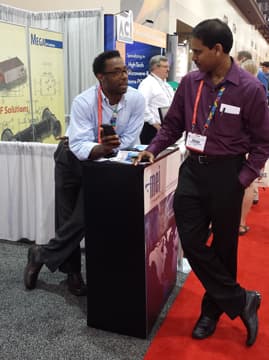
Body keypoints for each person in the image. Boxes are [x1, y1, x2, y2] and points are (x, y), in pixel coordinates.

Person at [134, 19, 269, 346]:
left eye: (197, 51)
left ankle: (211, 311)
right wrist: (152, 149)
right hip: (193, 171)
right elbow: (173, 125)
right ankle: (240, 300)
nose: (192, 57)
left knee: (224, 248)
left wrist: (243, 178)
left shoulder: (250, 89)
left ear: (218, 50)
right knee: (191, 240)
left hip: (227, 174)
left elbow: (263, 142)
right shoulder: (191, 83)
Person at [24, 50, 145, 296]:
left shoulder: (135, 99)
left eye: (125, 71)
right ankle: (73, 273)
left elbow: (131, 137)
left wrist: (110, 151)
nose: (124, 76)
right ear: (101, 77)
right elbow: (78, 144)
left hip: (104, 161)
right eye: (117, 72)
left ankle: (41, 253)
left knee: (83, 218)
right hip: (71, 159)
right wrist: (101, 148)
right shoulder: (84, 101)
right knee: (67, 217)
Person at [239, 59, 259, 235]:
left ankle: (240, 222)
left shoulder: (249, 88)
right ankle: (241, 223)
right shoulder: (258, 87)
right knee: (249, 184)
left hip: (244, 143)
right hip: (247, 143)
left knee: (247, 184)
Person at [138, 55, 174, 144]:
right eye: (165, 67)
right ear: (155, 68)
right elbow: (142, 105)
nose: (168, 69)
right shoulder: (147, 84)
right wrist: (154, 123)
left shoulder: (167, 85)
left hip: (165, 128)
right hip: (152, 128)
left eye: (168, 67)